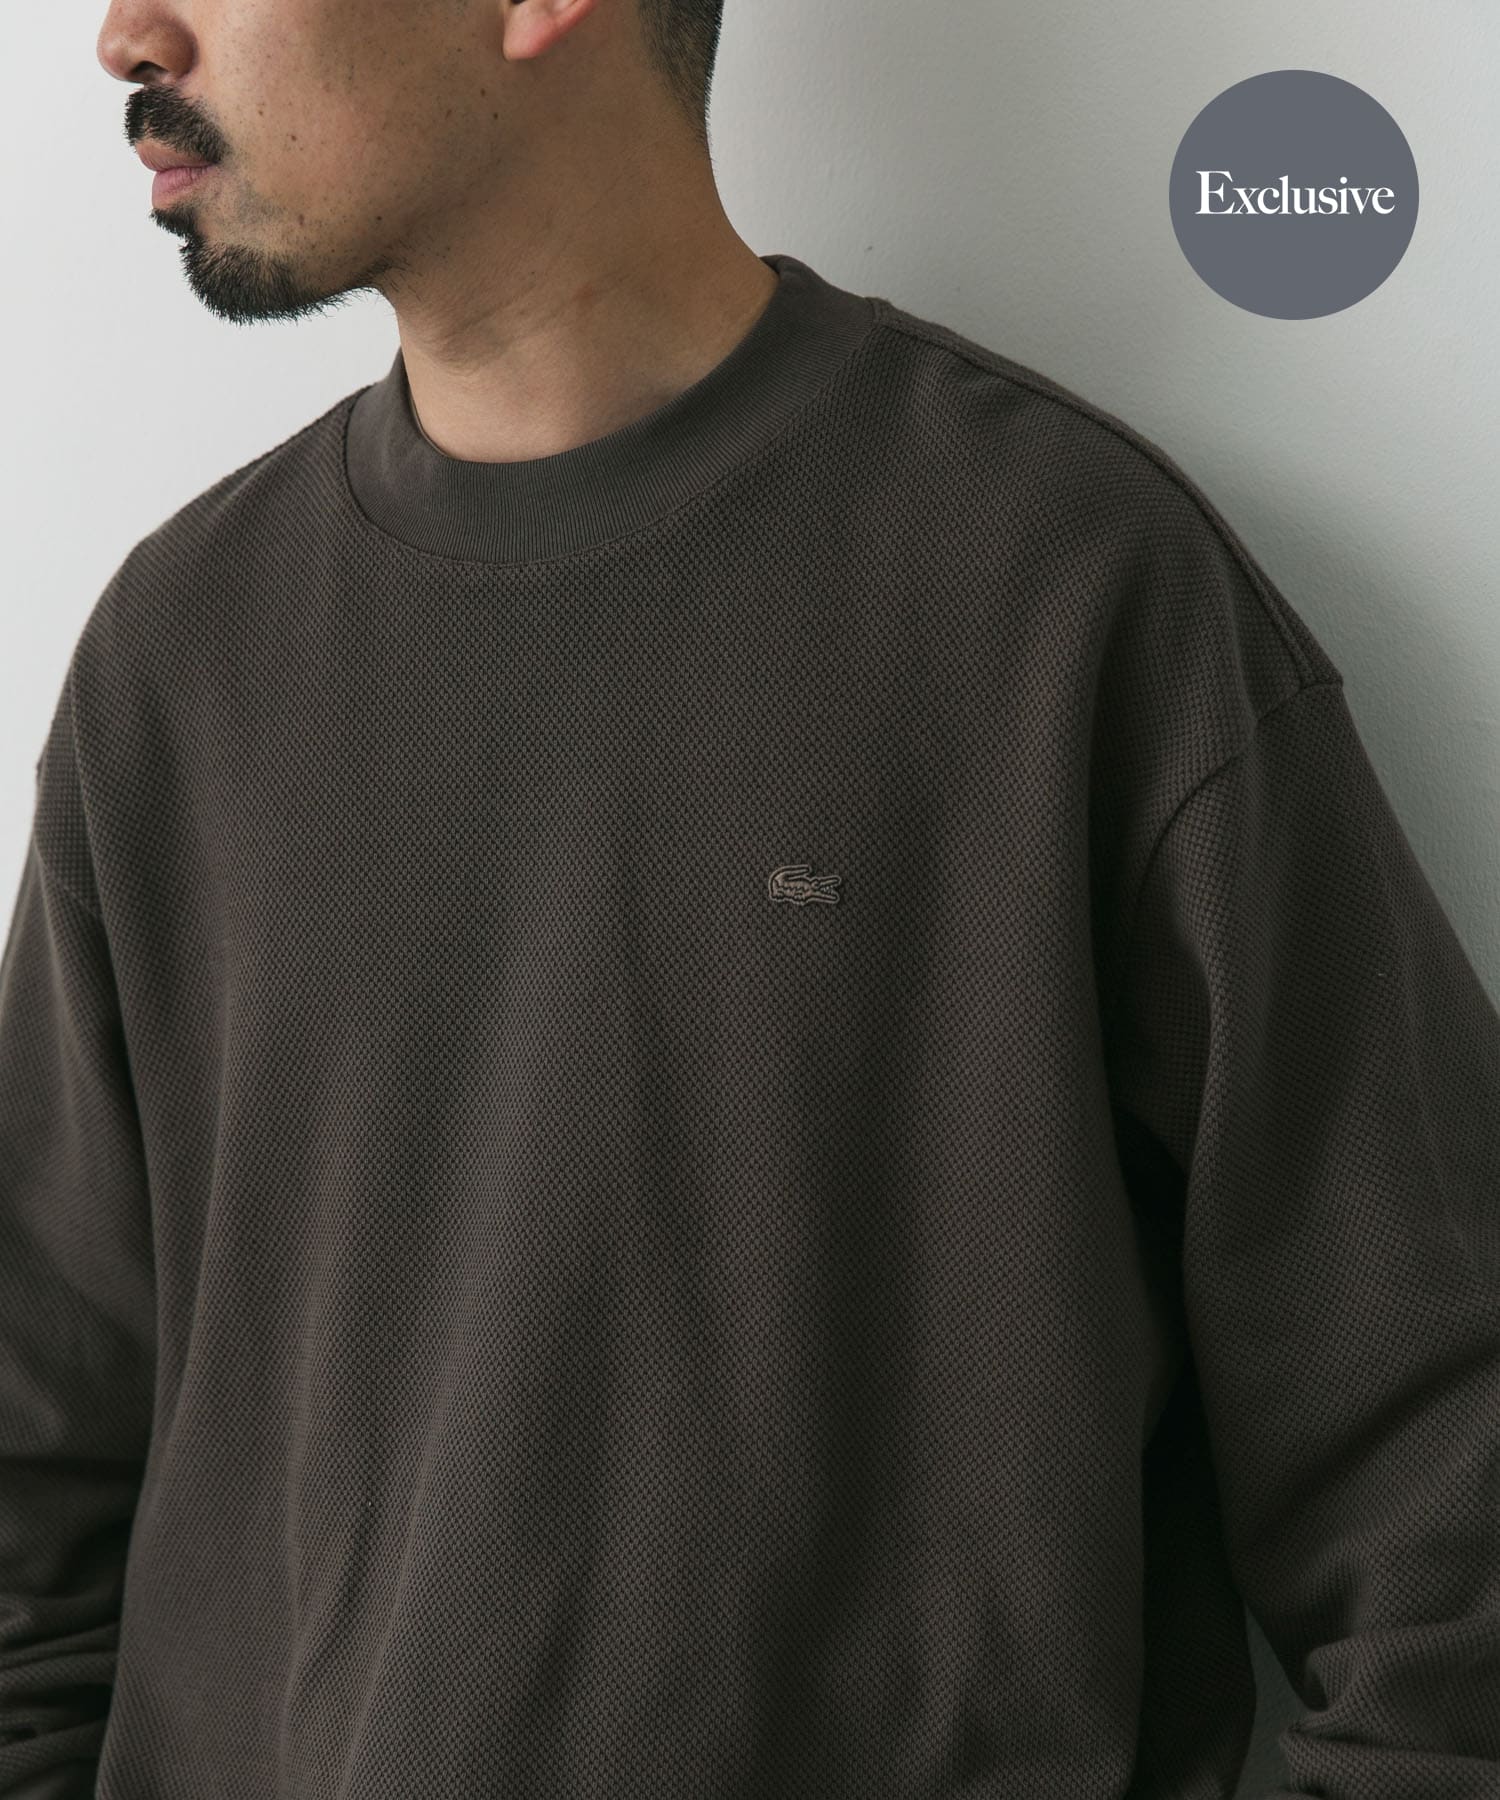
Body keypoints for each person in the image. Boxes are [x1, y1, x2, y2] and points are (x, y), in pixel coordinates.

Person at [2, 0, 1494, 1795]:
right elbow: (35, 1491)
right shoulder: (178, 664)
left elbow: (1442, 1478)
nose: (126, 35)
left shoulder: (1066, 593)